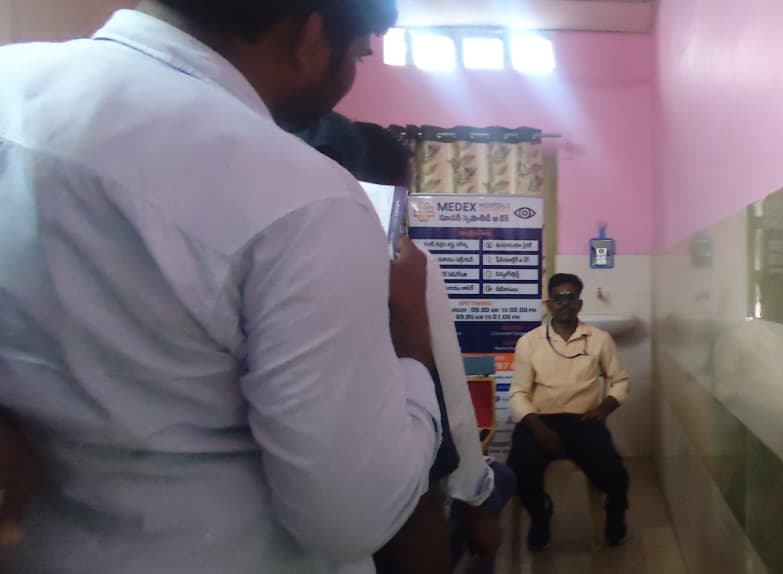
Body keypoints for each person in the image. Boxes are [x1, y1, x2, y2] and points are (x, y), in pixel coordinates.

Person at [0, 2, 448, 573]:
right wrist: (411, 345)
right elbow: (352, 517)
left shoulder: (11, 84)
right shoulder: (305, 198)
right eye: (358, 55)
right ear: (311, 36)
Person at [298, 114, 514, 574]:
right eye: (404, 195)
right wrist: (476, 502)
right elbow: (449, 393)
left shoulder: (282, 256)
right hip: (399, 487)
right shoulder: (406, 264)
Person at [508, 274, 633, 550]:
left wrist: (604, 408)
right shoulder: (529, 342)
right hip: (539, 421)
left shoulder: (600, 340)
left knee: (614, 473)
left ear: (579, 303)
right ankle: (540, 516)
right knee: (519, 470)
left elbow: (620, 380)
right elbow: (519, 393)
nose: (564, 303)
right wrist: (539, 429)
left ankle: (615, 513)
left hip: (583, 420)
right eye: (558, 298)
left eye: (570, 297)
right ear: (549, 304)